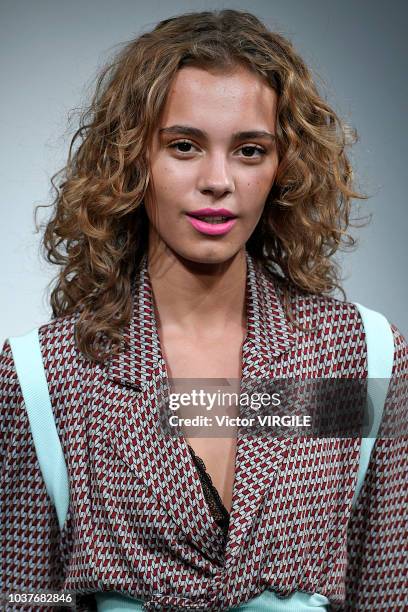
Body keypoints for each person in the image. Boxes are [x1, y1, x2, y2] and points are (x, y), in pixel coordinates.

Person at [1, 8, 407, 612]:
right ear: (132, 160)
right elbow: (25, 598)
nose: (218, 181)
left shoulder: (356, 356)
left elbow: (385, 589)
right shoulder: (49, 375)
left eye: (248, 150)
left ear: (283, 167)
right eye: (184, 146)